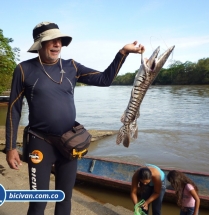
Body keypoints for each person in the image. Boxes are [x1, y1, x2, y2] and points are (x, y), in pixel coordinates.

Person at [5, 21, 144, 215]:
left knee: (64, 197)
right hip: (40, 142)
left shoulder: (71, 66)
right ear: (39, 43)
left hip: (69, 142)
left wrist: (123, 53)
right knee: (38, 203)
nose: (57, 44)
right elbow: (14, 110)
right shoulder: (23, 69)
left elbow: (105, 80)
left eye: (59, 40)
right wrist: (11, 147)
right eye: (51, 40)